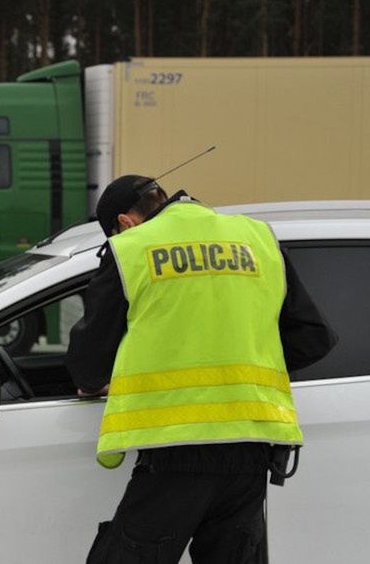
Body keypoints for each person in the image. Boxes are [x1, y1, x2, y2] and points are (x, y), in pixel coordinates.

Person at [66, 175, 338, 563]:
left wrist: (93, 386)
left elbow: (89, 362)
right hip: (252, 445)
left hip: (175, 449)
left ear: (124, 222)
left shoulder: (132, 249)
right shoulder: (256, 238)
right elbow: (313, 336)